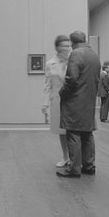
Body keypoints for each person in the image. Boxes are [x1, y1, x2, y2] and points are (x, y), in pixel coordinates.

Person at [57, 30, 100, 178]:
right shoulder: (94, 54)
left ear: (73, 42)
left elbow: (71, 79)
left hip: (75, 101)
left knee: (73, 133)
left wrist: (62, 92)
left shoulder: (76, 54)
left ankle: (74, 169)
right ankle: (89, 166)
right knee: (87, 133)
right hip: (89, 100)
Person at [42, 35, 71, 168]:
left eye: (68, 45)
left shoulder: (74, 61)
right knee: (62, 131)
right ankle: (65, 156)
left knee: (73, 130)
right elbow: (47, 84)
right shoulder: (50, 63)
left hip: (72, 100)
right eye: (64, 45)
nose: (67, 48)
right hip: (57, 100)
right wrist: (44, 103)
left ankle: (75, 157)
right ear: (57, 47)